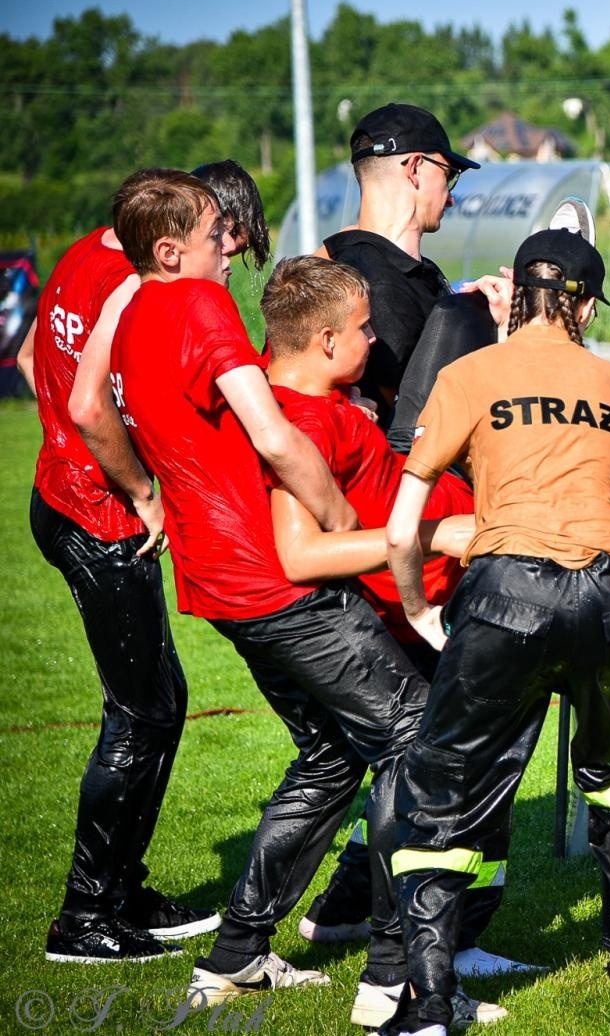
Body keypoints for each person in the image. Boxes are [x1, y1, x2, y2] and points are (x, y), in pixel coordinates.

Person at [100, 169, 418, 1011]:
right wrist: (340, 518)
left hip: (216, 584)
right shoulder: (197, 303)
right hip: (273, 580)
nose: (231, 243)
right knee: (413, 735)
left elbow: (90, 405)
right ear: (172, 251)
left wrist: (147, 493)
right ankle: (399, 972)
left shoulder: (129, 309)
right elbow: (274, 436)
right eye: (216, 232)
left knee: (332, 754)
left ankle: (236, 954)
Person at [381, 229, 610, 1034]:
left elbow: (404, 530)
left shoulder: (467, 374)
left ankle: (429, 1001)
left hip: (510, 589)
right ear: (583, 306)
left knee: (442, 787)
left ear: (518, 294)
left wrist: (418, 609)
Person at [255, 255, 507, 1027]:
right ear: (327, 340)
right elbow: (302, 553)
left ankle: (252, 946)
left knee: (339, 767)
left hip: (408, 592)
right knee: (419, 762)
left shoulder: (327, 407)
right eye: (365, 330)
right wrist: (434, 534)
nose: (377, 342)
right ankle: (395, 977)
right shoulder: (301, 424)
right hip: (390, 609)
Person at [29, 201, 213, 964]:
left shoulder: (81, 253)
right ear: (169, 246)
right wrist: (142, 491)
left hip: (60, 494)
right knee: (140, 715)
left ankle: (120, 891)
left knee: (160, 702)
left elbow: (30, 359)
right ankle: (83, 916)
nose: (224, 257)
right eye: (219, 239)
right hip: (97, 516)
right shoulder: (130, 287)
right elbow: (87, 404)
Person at [322, 102, 477, 429]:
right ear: (415, 168)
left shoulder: (338, 258)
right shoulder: (380, 283)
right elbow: (422, 412)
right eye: (448, 175)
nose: (451, 198)